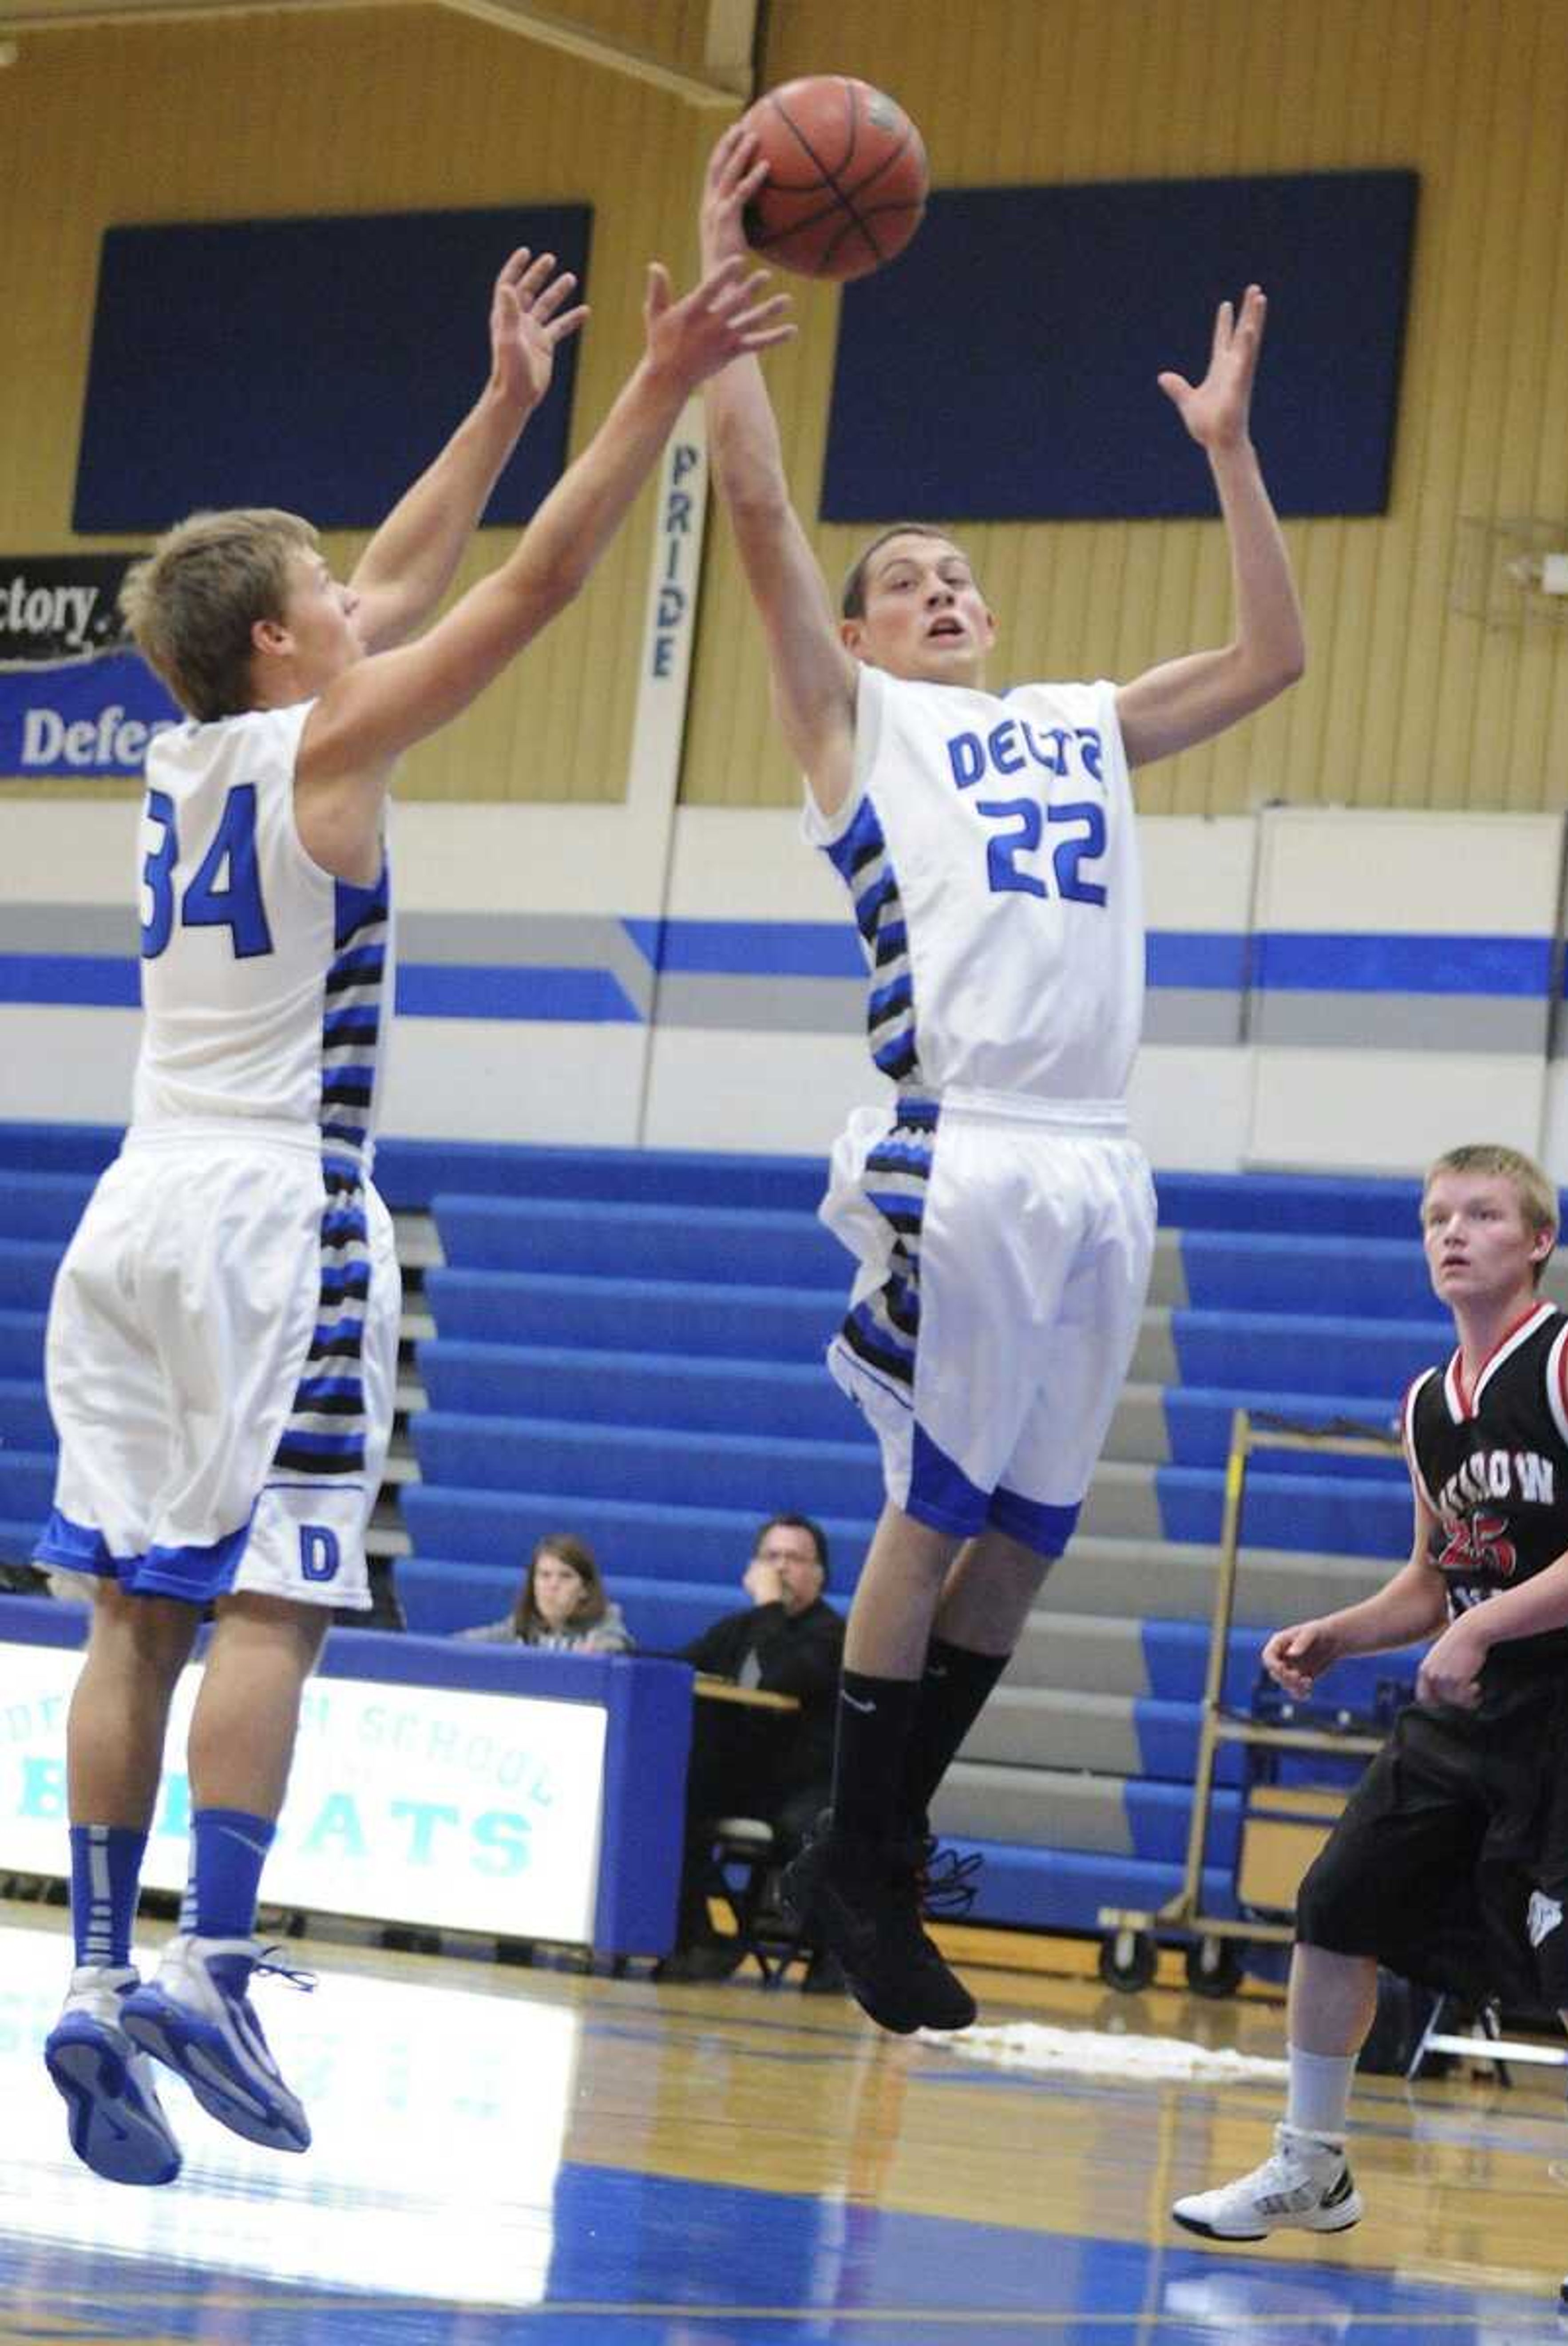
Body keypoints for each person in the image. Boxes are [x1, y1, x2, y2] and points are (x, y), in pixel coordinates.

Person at [34, 232, 790, 2188]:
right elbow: (527, 583)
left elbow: (397, 574)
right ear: (287, 649)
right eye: (323, 600)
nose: (354, 606)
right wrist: (655, 385)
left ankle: (99, 1970)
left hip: (127, 1215)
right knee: (277, 1592)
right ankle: (217, 1957)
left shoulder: (188, 747)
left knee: (131, 1606)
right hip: (281, 1211)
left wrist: (502, 403)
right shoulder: (333, 747)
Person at [695, 128, 1305, 2035]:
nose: (944, 589)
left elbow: (1274, 653)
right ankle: (858, 1869)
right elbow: (767, 528)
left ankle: (866, 1849)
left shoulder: (1074, 722)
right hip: (949, 1146)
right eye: (911, 579)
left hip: (1095, 1161)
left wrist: (1225, 451)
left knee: (1027, 1543)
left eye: (962, 574)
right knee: (933, 1508)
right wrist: (723, 319)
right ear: (864, 636)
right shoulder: (849, 726)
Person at [1172, 1143, 1568, 2312]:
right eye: (1434, 1218)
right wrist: (1345, 1633)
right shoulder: (1427, 1403)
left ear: (1537, 1239)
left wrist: (1477, 1629)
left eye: (1481, 1213)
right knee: (1336, 1901)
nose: (1451, 1233)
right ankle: (1313, 2162)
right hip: (1477, 1697)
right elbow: (1434, 1578)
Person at [657, 1514, 845, 1985]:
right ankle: (699, 1936)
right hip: (745, 1778)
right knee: (668, 1798)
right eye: (771, 1557)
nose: (781, 1568)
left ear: (819, 1574)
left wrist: (768, 1607)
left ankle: (831, 1957)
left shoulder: (833, 1635)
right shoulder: (741, 1627)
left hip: (802, 1783)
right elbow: (679, 1665)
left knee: (811, 1827)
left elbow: (783, 1676)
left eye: (795, 1559)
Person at [459, 1532, 633, 1653]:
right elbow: (465, 1644)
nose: (553, 1586)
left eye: (566, 1576)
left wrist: (602, 1652)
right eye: (544, 1575)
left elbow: (617, 1643)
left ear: (585, 1590)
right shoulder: (521, 1626)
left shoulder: (604, 1623)